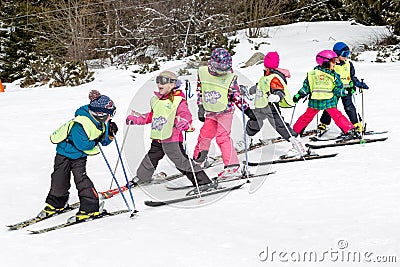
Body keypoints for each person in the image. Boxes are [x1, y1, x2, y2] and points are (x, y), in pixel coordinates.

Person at [126, 70, 216, 193]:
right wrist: (136, 119)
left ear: (172, 84)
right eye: (158, 81)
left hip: (172, 139)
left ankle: (203, 182)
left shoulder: (178, 100)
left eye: (163, 81)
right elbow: (151, 116)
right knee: (151, 158)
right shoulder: (156, 100)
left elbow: (186, 115)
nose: (159, 84)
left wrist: (183, 122)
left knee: (181, 162)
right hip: (158, 137)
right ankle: (143, 177)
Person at [38, 90, 118, 222]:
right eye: (111, 115)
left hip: (79, 157)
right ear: (101, 114)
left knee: (81, 179)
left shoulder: (103, 122)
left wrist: (110, 134)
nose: (111, 118)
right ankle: (57, 203)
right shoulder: (80, 124)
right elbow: (83, 145)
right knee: (59, 178)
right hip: (64, 153)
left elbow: (103, 142)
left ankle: (91, 207)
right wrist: (97, 140)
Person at [193, 48, 256, 178]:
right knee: (204, 135)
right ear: (212, 63)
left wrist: (247, 110)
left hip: (225, 111)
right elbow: (200, 90)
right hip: (210, 111)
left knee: (222, 137)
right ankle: (198, 160)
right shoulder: (203, 72)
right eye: (219, 67)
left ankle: (232, 166)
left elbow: (236, 95)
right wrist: (200, 107)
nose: (222, 71)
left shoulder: (230, 77)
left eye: (225, 68)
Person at [235, 51, 307, 158]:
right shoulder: (266, 75)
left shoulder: (274, 77)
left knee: (279, 125)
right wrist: (248, 91)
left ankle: (298, 146)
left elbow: (279, 90)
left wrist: (277, 97)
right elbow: (259, 86)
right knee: (254, 122)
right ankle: (247, 139)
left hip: (271, 107)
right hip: (261, 107)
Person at [292, 50, 361, 141]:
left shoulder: (333, 75)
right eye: (333, 61)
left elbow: (338, 89)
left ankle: (349, 130)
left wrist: (347, 91)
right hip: (318, 102)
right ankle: (295, 131)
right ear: (325, 62)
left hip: (325, 101)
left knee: (336, 116)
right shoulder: (313, 74)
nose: (335, 64)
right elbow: (307, 87)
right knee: (307, 116)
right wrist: (299, 95)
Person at [317, 42, 369, 135]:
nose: (347, 56)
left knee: (349, 107)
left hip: (347, 90)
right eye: (345, 54)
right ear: (337, 54)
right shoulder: (331, 64)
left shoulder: (349, 64)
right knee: (330, 108)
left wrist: (357, 83)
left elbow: (352, 77)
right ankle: (323, 124)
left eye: (348, 53)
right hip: (334, 91)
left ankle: (356, 124)